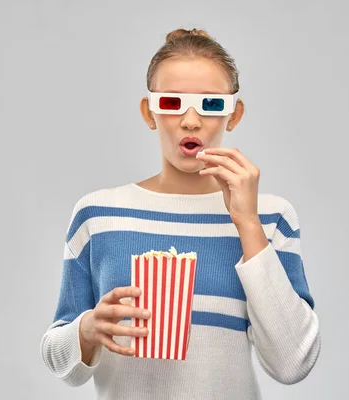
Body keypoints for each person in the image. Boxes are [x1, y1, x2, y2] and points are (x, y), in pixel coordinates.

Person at [40, 27, 321, 399]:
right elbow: (59, 360)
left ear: (234, 114)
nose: (191, 121)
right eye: (172, 103)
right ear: (149, 112)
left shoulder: (271, 217)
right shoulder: (98, 215)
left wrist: (248, 224)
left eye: (211, 104)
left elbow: (292, 364)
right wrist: (87, 329)